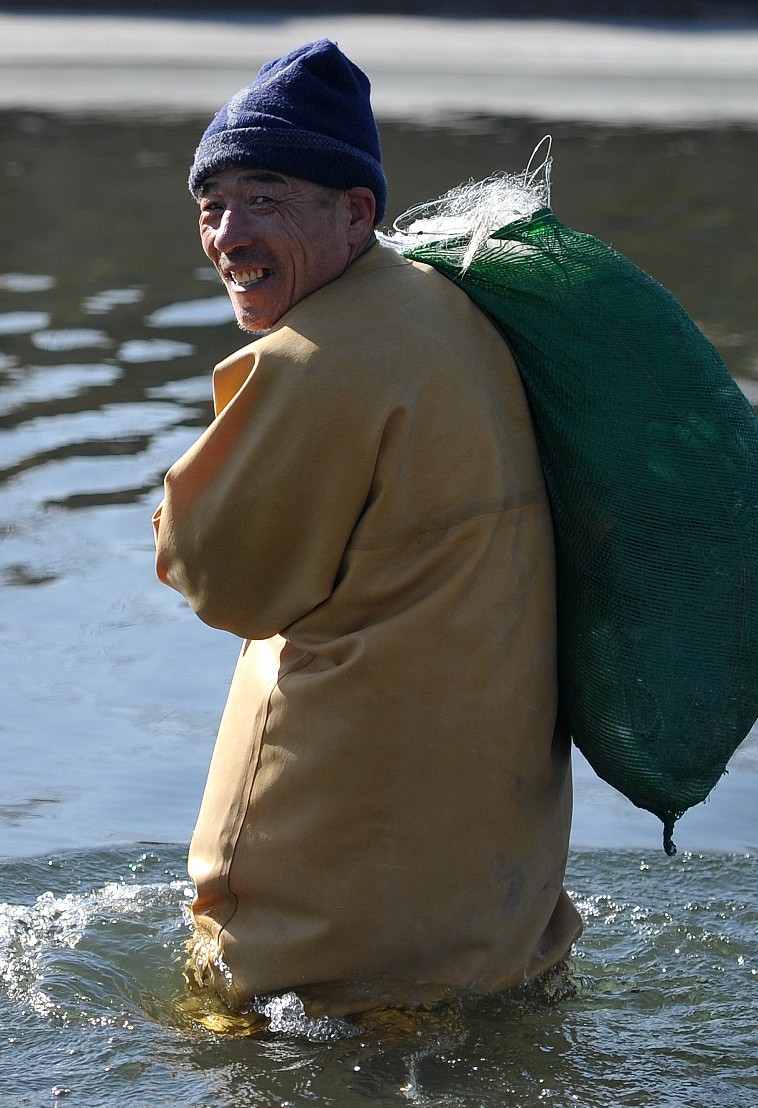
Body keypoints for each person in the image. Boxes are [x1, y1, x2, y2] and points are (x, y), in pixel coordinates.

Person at [153, 39, 582, 1020]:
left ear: (357, 212)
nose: (229, 233)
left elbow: (222, 579)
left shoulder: (315, 355)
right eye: (211, 205)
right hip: (493, 883)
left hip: (336, 902)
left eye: (265, 198)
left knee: (242, 1045)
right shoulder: (455, 312)